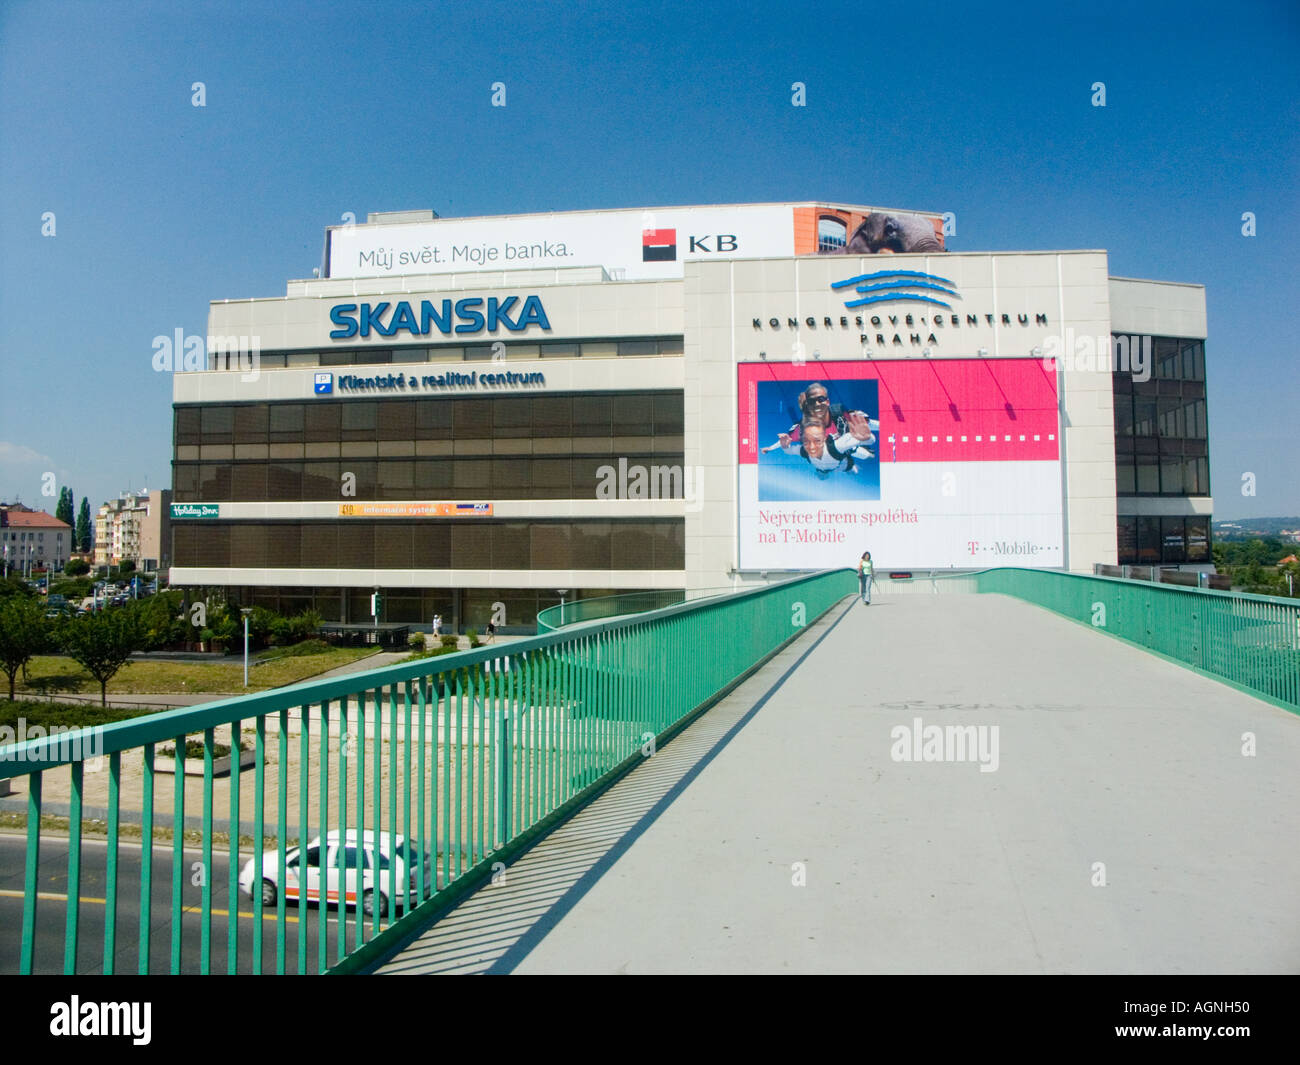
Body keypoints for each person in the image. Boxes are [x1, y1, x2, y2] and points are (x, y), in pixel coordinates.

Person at [778, 418, 875, 478]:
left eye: (817, 441)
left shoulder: (838, 446)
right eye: (807, 441)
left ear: (824, 438)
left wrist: (863, 435)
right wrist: (784, 445)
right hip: (834, 466)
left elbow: (871, 439)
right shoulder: (805, 451)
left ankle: (859, 453)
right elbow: (789, 451)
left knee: (864, 458)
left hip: (843, 460)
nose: (812, 447)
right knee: (825, 476)